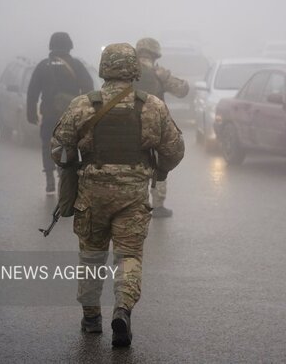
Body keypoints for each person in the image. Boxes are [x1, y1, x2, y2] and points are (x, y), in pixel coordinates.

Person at [51, 43, 184, 347]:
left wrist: (74, 167)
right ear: (134, 68)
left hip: (91, 196)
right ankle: (122, 310)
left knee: (91, 256)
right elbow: (174, 151)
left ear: (104, 67)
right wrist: (156, 170)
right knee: (129, 256)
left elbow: (58, 148)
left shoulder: (82, 105)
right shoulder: (152, 106)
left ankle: (91, 318)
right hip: (133, 196)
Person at [27, 32, 94, 193]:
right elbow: (89, 88)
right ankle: (64, 176)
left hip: (49, 114)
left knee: (47, 145)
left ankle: (49, 177)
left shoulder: (43, 65)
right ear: (69, 46)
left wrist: (32, 114)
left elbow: (32, 92)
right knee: (68, 146)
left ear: (51, 46)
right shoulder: (76, 65)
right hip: (70, 115)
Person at [134, 37, 189, 218]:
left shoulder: (126, 71)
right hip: (155, 126)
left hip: (128, 125)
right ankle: (157, 206)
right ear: (155, 54)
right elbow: (182, 91)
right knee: (159, 165)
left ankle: (133, 203)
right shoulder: (158, 72)